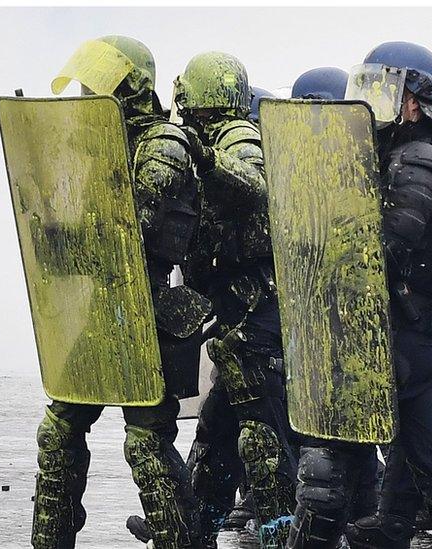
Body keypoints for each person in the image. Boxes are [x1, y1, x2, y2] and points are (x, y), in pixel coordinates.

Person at [313, 41, 432, 549]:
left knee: (326, 470)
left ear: (413, 99)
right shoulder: (400, 151)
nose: (371, 100)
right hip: (415, 337)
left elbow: (387, 247)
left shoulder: (417, 157)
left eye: (383, 89)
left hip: (402, 338)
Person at [32, 35, 206, 549]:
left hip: (145, 308)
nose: (85, 95)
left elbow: (134, 221)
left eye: (96, 85)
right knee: (58, 432)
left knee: (147, 446)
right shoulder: (99, 143)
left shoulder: (162, 146)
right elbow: (81, 233)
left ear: (128, 86)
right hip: (99, 308)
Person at [130, 51, 299, 549]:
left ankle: (278, 534)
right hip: (236, 315)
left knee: (261, 438)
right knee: (219, 430)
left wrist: (207, 157)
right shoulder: (213, 139)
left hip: (257, 317)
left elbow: (258, 186)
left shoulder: (236, 138)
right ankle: (200, 523)